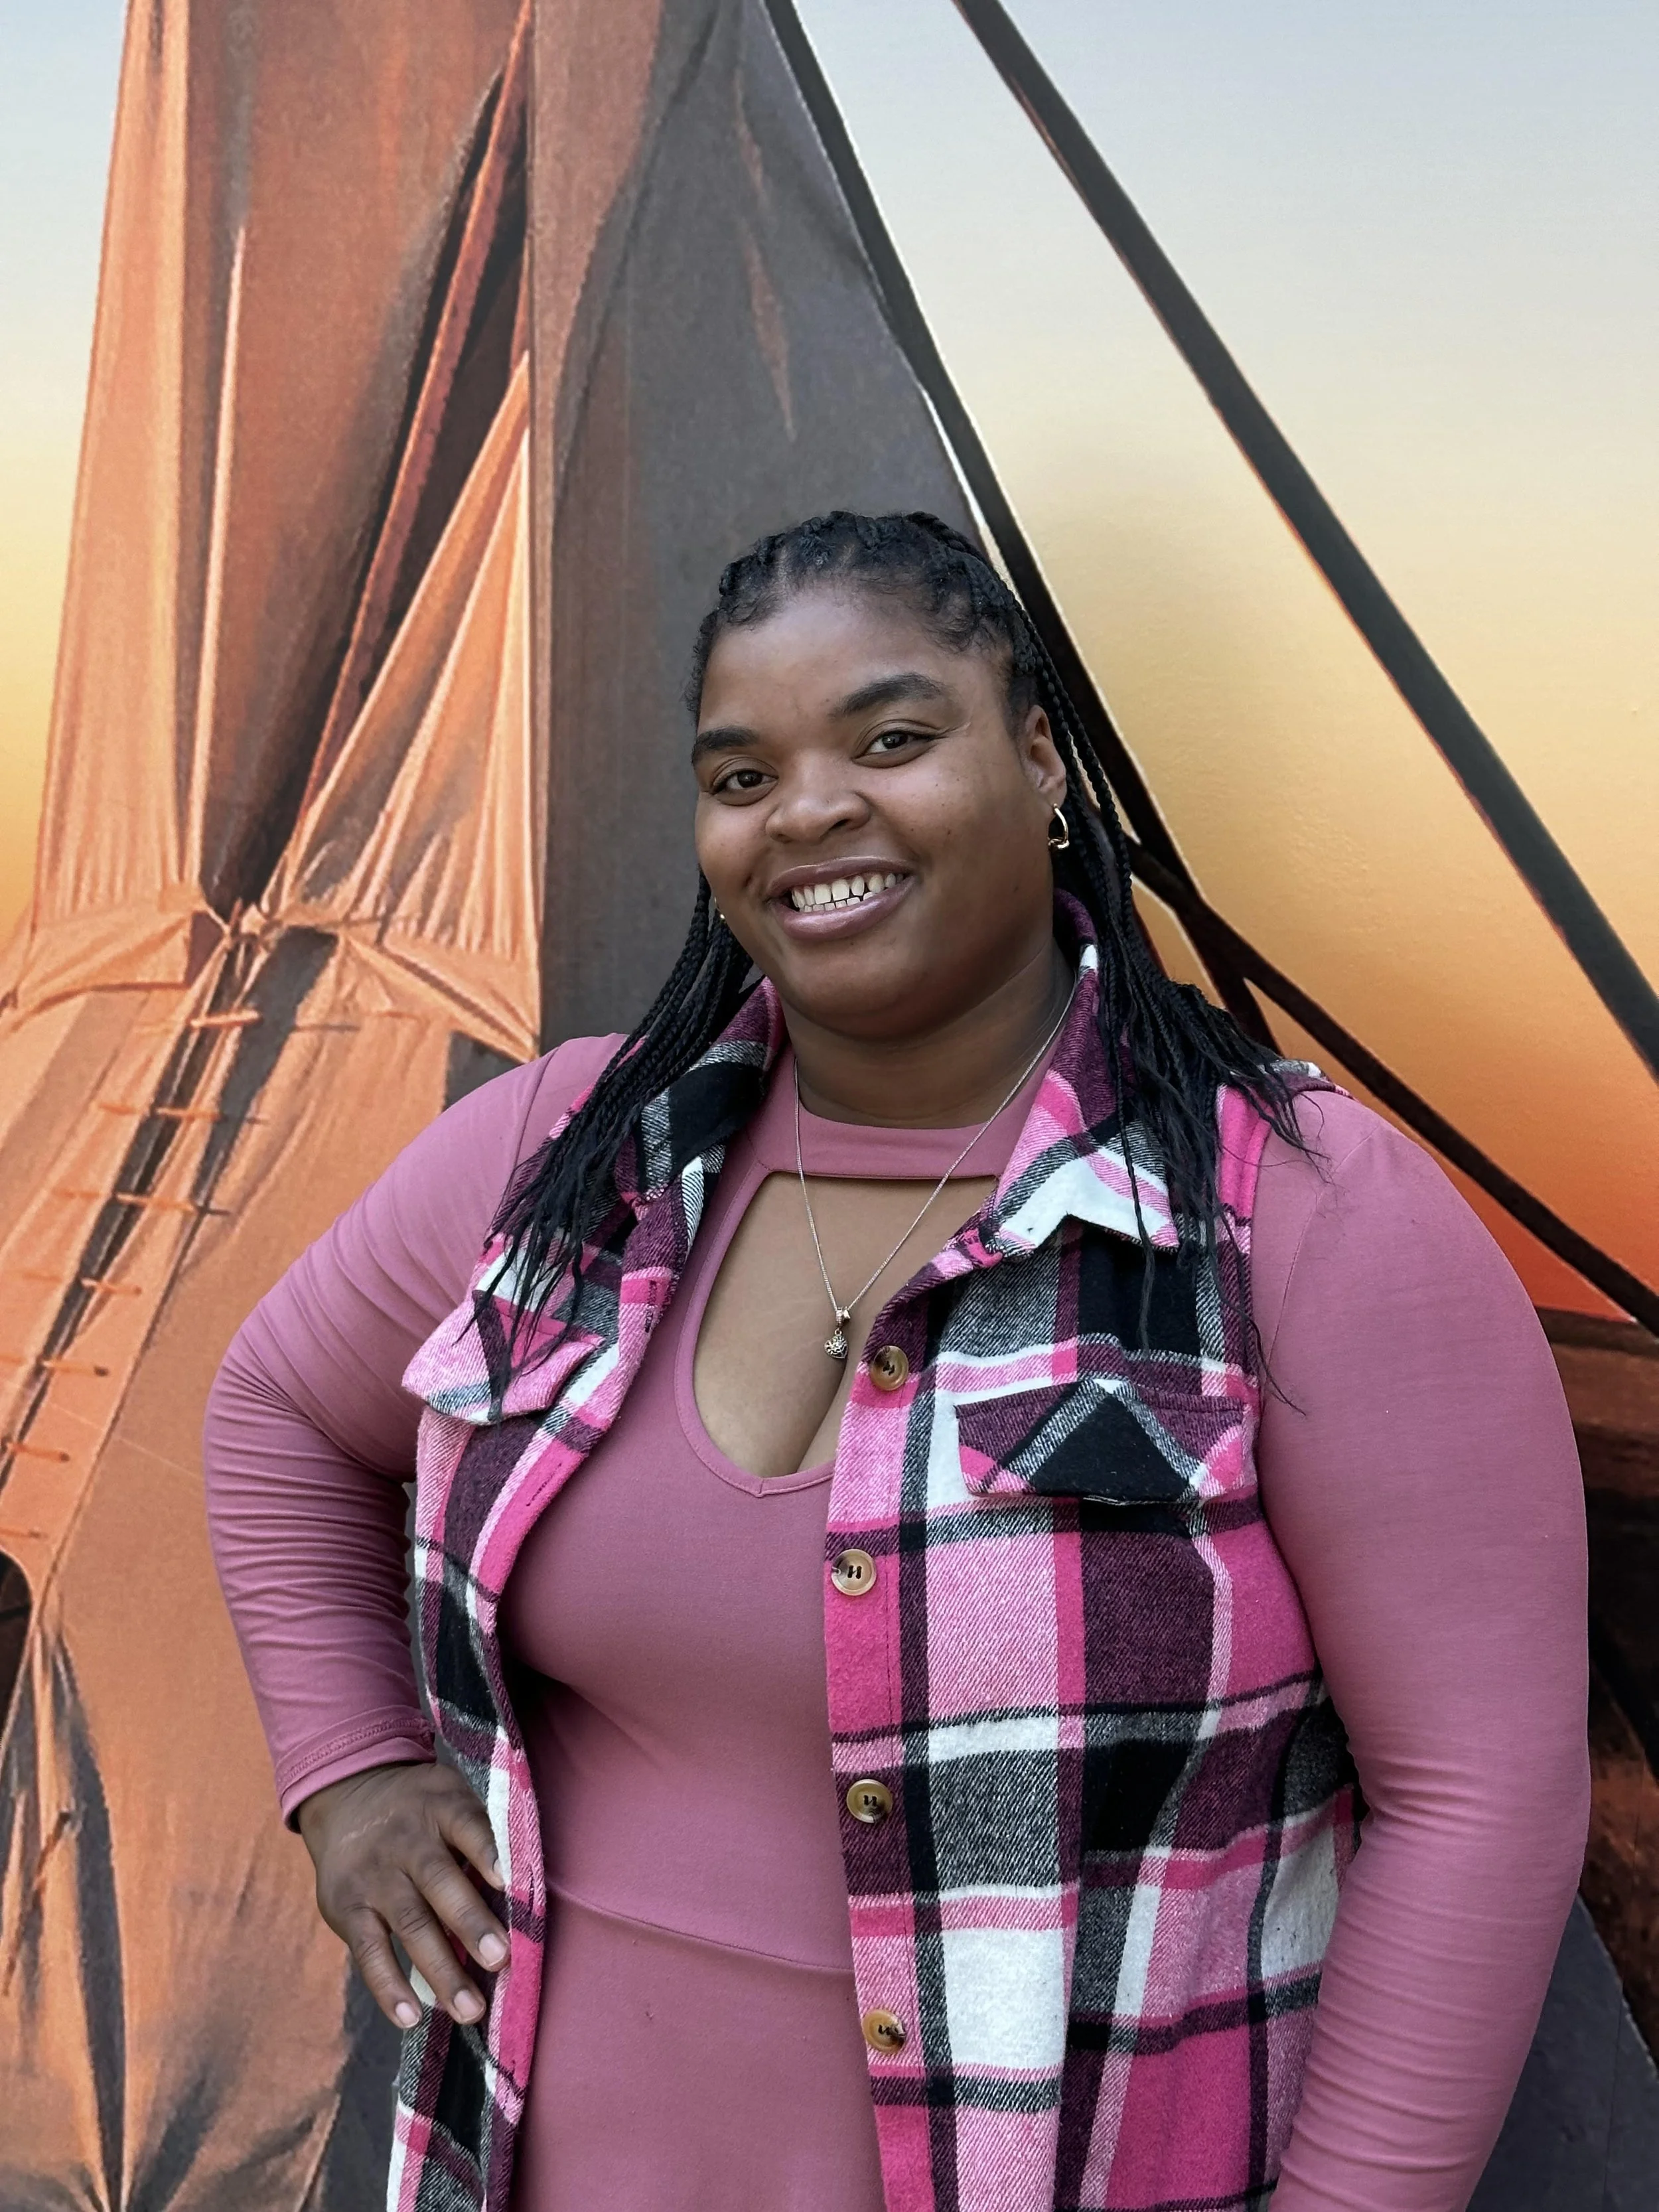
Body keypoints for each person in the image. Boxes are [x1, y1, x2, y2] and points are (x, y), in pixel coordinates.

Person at [206, 511, 1589, 2212]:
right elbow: (271, 1411)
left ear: (1033, 753)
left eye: (889, 737)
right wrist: (348, 1773)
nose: (807, 811)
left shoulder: (1291, 1212)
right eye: (740, 772)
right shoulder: (570, 1150)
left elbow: (1478, 1802)